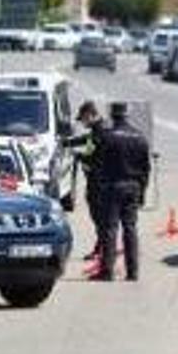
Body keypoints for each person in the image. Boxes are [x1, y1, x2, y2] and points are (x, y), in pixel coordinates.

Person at [94, 102, 151, 281]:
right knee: (130, 228)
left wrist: (99, 186)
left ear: (112, 115)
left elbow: (98, 164)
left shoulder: (107, 136)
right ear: (127, 115)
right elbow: (146, 169)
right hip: (133, 186)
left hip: (112, 186)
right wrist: (142, 192)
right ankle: (133, 271)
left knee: (110, 229)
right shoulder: (140, 137)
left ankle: (107, 271)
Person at [62, 101, 108, 260]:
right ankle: (102, 247)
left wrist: (78, 156)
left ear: (89, 115)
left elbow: (96, 157)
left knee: (101, 219)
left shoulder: (100, 131)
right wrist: (67, 143)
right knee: (100, 219)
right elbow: (85, 139)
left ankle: (103, 250)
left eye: (83, 119)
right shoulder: (96, 130)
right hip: (96, 181)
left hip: (99, 183)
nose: (82, 123)